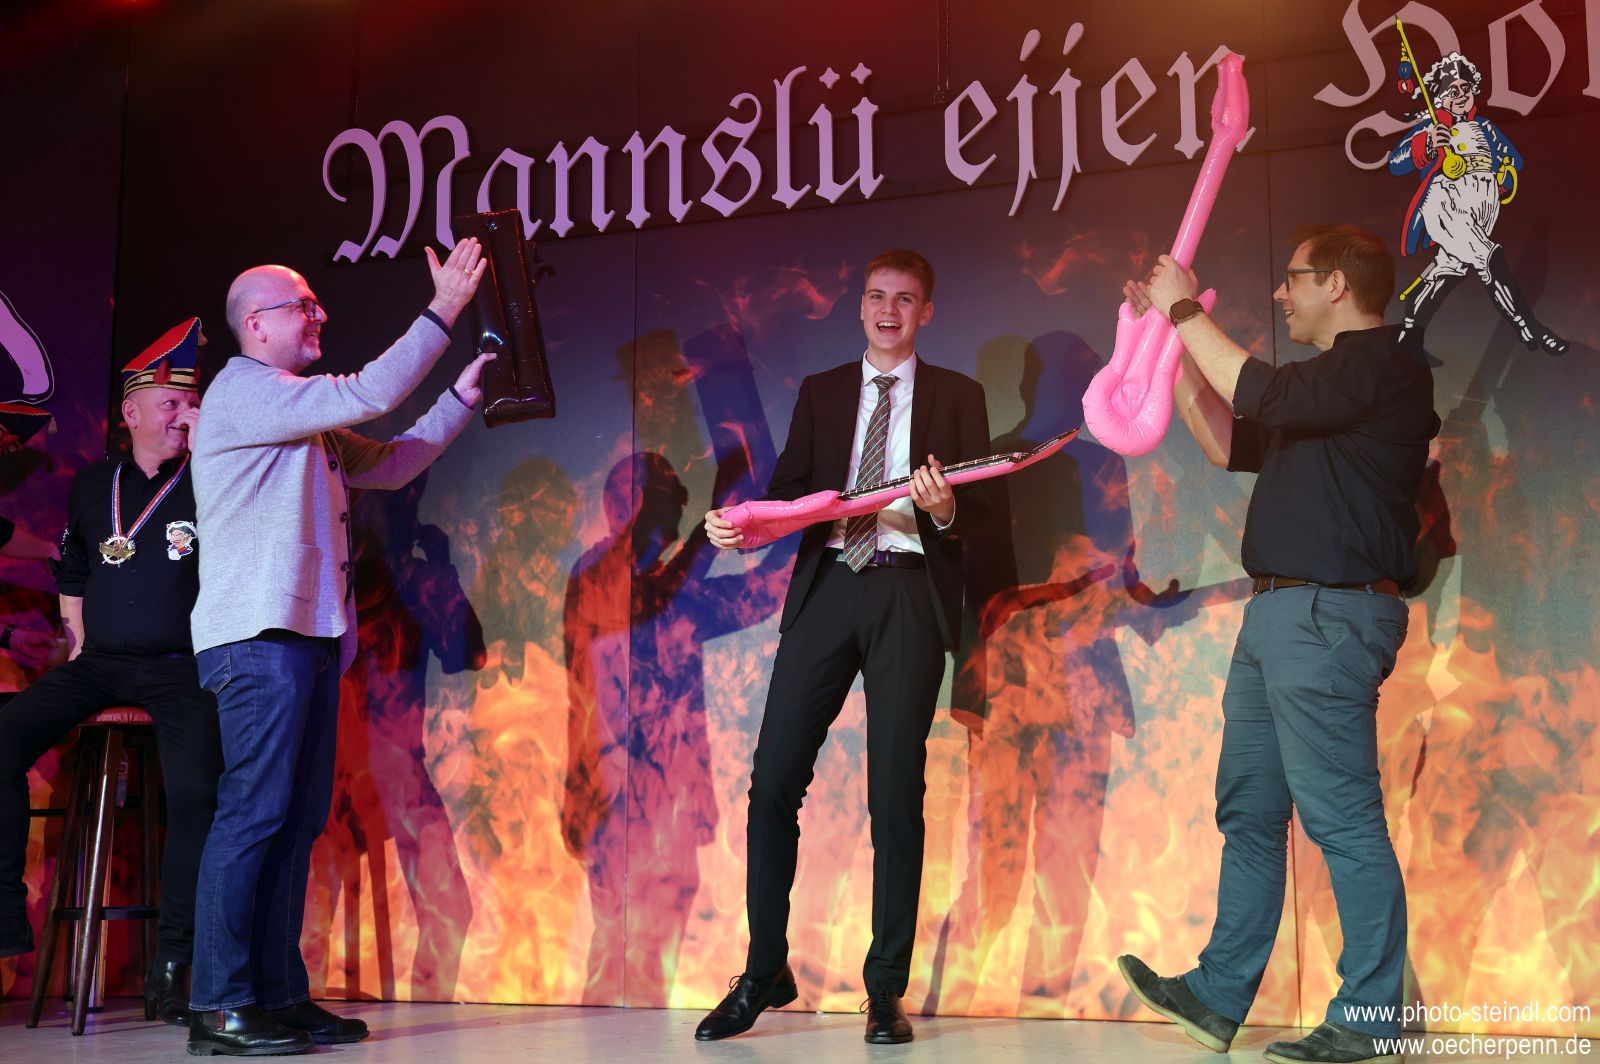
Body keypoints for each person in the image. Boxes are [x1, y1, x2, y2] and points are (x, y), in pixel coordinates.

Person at [1115, 225, 1436, 1064]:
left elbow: (1257, 390)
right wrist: (1167, 346)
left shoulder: (1381, 364)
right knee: (1250, 812)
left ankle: (1373, 1019)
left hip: (1329, 617)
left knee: (1343, 818)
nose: (1280, 293)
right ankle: (1218, 994)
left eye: (1293, 279)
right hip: (1277, 616)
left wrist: (1184, 309)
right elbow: (1229, 436)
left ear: (1337, 284)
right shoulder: (1324, 392)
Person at [184, 239, 491, 1057]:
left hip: (307, 638)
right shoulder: (245, 392)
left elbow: (388, 466)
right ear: (257, 324)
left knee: (294, 821)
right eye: (303, 305)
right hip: (258, 638)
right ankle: (219, 1004)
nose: (319, 313)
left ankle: (278, 996)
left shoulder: (297, 416)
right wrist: (445, 310)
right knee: (254, 814)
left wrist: (461, 397)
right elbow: (370, 391)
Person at [696, 249, 998, 1045]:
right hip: (828, 588)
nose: (888, 310)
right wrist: (742, 526)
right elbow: (788, 496)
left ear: (926, 311)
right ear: (860, 306)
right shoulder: (823, 391)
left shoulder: (958, 397)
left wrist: (942, 511)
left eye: (904, 299)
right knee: (773, 781)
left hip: (908, 591)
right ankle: (764, 970)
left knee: (894, 795)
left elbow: (985, 517)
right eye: (875, 296)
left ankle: (885, 988)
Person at [0, 320, 224, 1028]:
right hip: (98, 665)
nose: (184, 414)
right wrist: (75, 645)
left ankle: (174, 963)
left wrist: (213, 454)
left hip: (179, 668)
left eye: (192, 402)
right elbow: (72, 571)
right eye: (171, 402)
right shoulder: (96, 485)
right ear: (131, 412)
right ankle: (5, 912)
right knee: (2, 738)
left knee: (197, 796)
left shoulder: (213, 477)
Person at [1388, 50, 1566, 355]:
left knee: (1447, 269)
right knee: (1488, 258)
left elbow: (1514, 160)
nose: (1460, 95)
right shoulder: (1433, 127)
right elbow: (1396, 162)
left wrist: (1504, 175)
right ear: (1440, 96)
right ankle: (1529, 326)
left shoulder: (1485, 128)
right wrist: (1428, 144)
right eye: (1452, 91)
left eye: (1465, 88)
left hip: (1482, 207)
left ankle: (1408, 335)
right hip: (1447, 204)